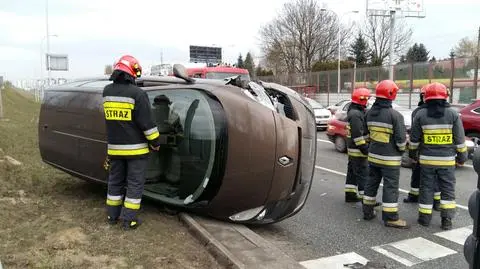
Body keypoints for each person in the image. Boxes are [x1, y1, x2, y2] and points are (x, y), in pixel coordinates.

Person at [103, 55, 161, 230]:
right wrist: (156, 142)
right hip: (136, 151)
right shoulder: (138, 94)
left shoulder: (106, 92)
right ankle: (129, 220)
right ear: (132, 72)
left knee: (115, 182)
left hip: (115, 149)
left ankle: (112, 216)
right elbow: (147, 124)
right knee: (134, 185)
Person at [409, 82, 467, 230]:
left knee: (426, 189)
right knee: (447, 190)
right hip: (447, 161)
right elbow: (460, 139)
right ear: (445, 96)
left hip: (427, 161)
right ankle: (446, 221)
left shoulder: (420, 114)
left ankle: (424, 219)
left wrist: (413, 154)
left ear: (426, 97)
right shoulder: (453, 114)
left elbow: (414, 139)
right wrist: (462, 157)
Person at [362, 80, 409, 229]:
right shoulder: (396, 116)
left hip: (373, 157)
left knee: (371, 184)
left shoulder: (369, 113)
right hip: (390, 160)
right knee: (390, 188)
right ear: (392, 94)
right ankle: (390, 218)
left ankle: (367, 211)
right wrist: (402, 150)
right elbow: (401, 141)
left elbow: (366, 136)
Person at [404, 84, 441, 211]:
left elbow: (415, 133)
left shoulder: (418, 112)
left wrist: (413, 153)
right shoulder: (445, 112)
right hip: (440, 151)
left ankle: (414, 196)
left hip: (422, 150)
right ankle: (436, 202)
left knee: (417, 174)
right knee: (436, 177)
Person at [345, 87, 371, 203]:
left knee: (352, 172)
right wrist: (365, 149)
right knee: (363, 174)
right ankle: (366, 199)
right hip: (358, 150)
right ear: (363, 99)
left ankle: (350, 195)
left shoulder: (355, 111)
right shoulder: (356, 114)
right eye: (367, 99)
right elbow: (358, 136)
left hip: (353, 149)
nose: (368, 101)